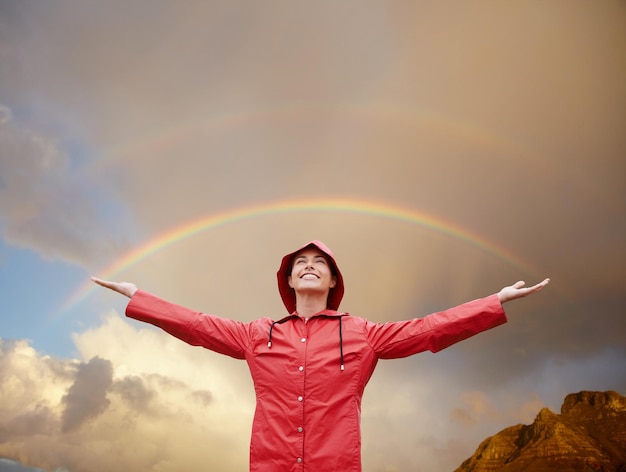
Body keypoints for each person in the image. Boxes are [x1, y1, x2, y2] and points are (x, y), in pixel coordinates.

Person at [91, 240, 549, 472]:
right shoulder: (258, 334)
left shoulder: (363, 334)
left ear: (333, 281)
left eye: (320, 263)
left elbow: (427, 329)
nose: (309, 266)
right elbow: (196, 325)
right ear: (288, 282)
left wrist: (494, 301)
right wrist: (140, 297)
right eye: (300, 264)